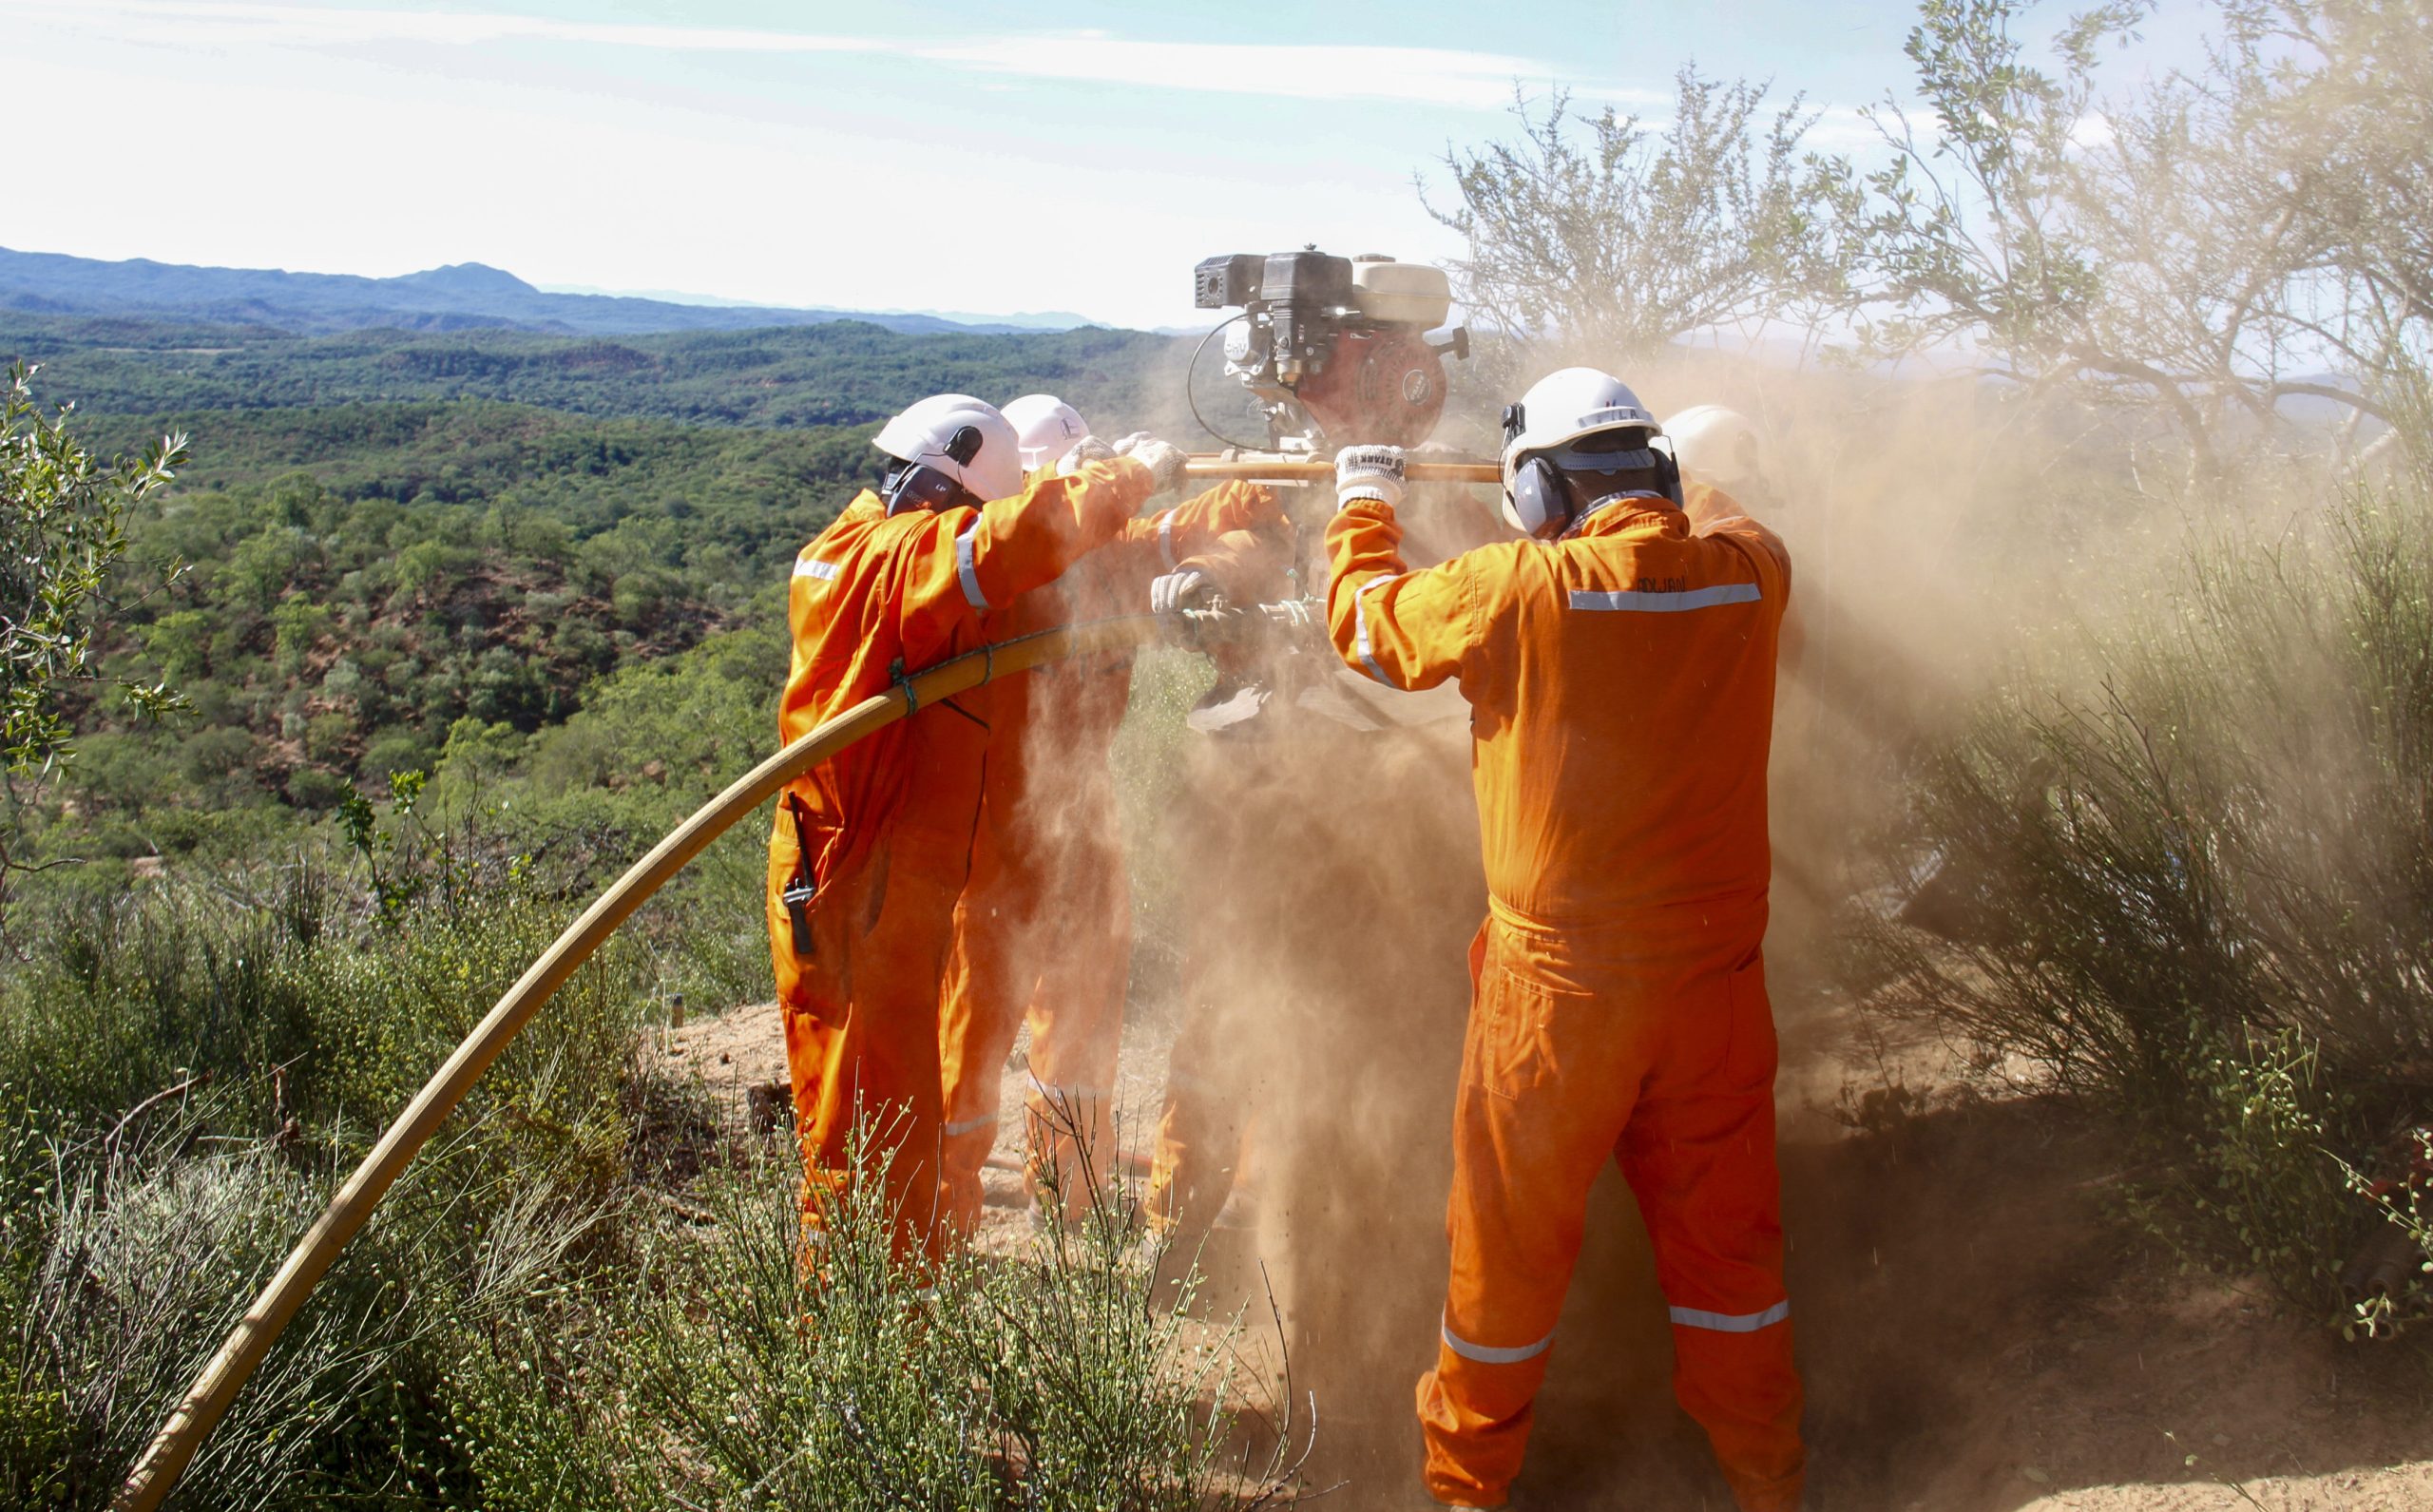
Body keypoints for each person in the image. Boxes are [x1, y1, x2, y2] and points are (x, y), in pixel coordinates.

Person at [1320, 368, 1805, 1511]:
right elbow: (1723, 512)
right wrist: (1689, 462)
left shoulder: (1510, 588)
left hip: (1558, 999)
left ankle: (1465, 1492)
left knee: (1504, 1264)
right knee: (1731, 1264)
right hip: (1714, 993)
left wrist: (1360, 501)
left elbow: (1366, 626)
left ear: (1535, 487)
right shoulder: (1752, 574)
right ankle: (1770, 1483)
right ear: (1663, 475)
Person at [766, 391, 1186, 1258]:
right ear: (939, 484)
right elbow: (1008, 546)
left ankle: (900, 1330)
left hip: (874, 886)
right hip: (851, 889)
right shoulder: (888, 556)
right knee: (857, 1150)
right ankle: (851, 1367)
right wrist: (1133, 475)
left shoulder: (873, 547)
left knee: (891, 1135)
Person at [936, 393, 1281, 1234]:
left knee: (1084, 1023)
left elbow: (1182, 528)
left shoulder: (1115, 554)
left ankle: (1067, 1201)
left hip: (1083, 819)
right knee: (973, 1031)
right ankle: (936, 1216)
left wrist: (1262, 490)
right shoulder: (997, 574)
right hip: (996, 829)